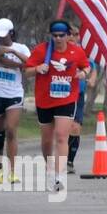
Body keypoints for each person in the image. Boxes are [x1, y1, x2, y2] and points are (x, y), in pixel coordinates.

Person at [26, 18, 91, 192]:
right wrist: (38, 69)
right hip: (45, 100)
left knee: (62, 136)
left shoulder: (76, 52)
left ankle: (59, 175)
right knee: (47, 141)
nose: (58, 39)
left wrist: (84, 73)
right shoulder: (42, 50)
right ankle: (49, 168)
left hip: (67, 98)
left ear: (68, 35)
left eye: (62, 35)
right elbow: (27, 70)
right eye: (54, 35)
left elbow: (86, 66)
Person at [0, 18, 29, 186]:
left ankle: (12, 171)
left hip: (14, 93)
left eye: (4, 36)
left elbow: (30, 63)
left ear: (12, 33)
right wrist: (19, 64)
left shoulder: (22, 48)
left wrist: (12, 52)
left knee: (11, 130)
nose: (0, 39)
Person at [66, 31, 99, 174]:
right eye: (70, 34)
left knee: (75, 129)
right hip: (60, 95)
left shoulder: (81, 52)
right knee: (61, 130)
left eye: (76, 34)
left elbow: (91, 67)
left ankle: (69, 162)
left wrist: (92, 78)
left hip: (77, 95)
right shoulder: (57, 51)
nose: (73, 37)